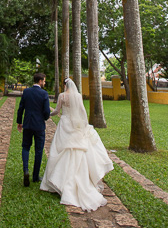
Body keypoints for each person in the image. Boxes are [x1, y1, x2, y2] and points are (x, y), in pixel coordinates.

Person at [40, 78, 114, 212]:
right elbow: (82, 111)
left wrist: (47, 115)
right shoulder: (78, 96)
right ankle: (77, 180)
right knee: (76, 151)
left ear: (64, 85)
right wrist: (84, 125)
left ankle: (59, 181)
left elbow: (57, 111)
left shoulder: (62, 96)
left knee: (61, 150)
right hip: (76, 125)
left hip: (64, 124)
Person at [17, 72, 51, 187]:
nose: (44, 83)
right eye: (44, 81)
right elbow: (46, 112)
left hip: (27, 124)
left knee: (25, 147)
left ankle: (25, 170)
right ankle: (35, 176)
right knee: (39, 150)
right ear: (40, 81)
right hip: (39, 126)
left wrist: (19, 122)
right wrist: (45, 118)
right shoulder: (44, 94)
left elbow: (21, 108)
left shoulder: (26, 91)